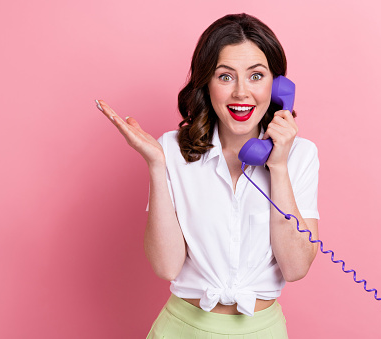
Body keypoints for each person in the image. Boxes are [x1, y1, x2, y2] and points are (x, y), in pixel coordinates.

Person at [96, 13, 319, 339]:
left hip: (261, 331)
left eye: (256, 76)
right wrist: (158, 166)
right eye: (225, 77)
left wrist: (279, 166)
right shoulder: (171, 149)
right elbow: (166, 267)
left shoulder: (300, 155)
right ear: (206, 82)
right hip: (182, 328)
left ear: (278, 86)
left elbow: (296, 267)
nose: (241, 92)